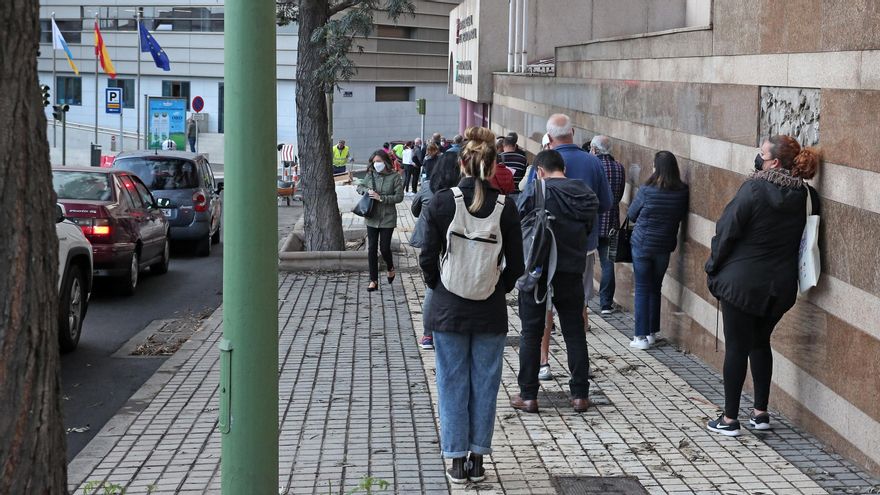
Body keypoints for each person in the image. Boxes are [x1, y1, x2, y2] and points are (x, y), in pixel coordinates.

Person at [419, 126, 523, 484]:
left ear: (462, 163)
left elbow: (427, 258)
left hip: (448, 310)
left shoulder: (443, 202)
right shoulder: (506, 208)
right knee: (486, 383)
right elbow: (518, 267)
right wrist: (496, 287)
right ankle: (478, 458)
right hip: (490, 311)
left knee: (451, 384)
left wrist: (439, 287)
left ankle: (456, 461)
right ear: (494, 166)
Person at [705, 135, 820, 437]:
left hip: (741, 285)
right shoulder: (807, 196)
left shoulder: (754, 187)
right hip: (780, 288)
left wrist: (713, 265)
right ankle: (761, 413)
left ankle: (729, 419)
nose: (758, 157)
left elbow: (727, 231)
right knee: (760, 342)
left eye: (762, 154)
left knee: (737, 347)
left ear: (775, 162)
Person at [511, 150, 599, 414]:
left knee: (531, 333)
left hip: (538, 269)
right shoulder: (583, 192)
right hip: (572, 270)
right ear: (563, 169)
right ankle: (580, 395)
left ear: (539, 171)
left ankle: (528, 395)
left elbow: (518, 221)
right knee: (574, 332)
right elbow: (589, 228)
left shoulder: (537, 189)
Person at [546, 114, 612, 332]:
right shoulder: (592, 161)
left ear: (548, 137)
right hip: (584, 240)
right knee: (581, 289)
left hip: (550, 241)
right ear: (572, 133)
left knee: (548, 288)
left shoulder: (545, 161)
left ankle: (550, 326)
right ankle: (580, 326)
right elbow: (606, 202)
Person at [626, 151, 689, 350]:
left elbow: (632, 215)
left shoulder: (647, 190)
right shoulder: (682, 191)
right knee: (655, 287)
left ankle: (640, 337)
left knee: (643, 289)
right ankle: (652, 333)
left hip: (642, 245)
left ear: (657, 167)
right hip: (664, 246)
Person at [410, 152, 461, 350]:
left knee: (432, 287)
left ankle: (428, 334)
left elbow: (414, 210)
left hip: (430, 241)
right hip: (455, 243)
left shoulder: (427, 187)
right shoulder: (459, 192)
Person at [357, 150, 404, 292]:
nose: (376, 164)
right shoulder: (370, 175)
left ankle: (390, 267)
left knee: (384, 248)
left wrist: (381, 198)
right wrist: (367, 191)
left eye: (379, 161)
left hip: (387, 218)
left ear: (386, 162)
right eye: (374, 162)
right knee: (371, 249)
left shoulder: (395, 177)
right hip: (371, 217)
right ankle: (373, 280)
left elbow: (399, 197)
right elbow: (360, 186)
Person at [590, 136, 626, 315]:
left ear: (594, 150)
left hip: (591, 222)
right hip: (612, 222)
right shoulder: (619, 167)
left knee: (585, 261)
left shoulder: (591, 165)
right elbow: (619, 196)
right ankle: (606, 304)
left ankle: (582, 301)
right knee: (608, 263)